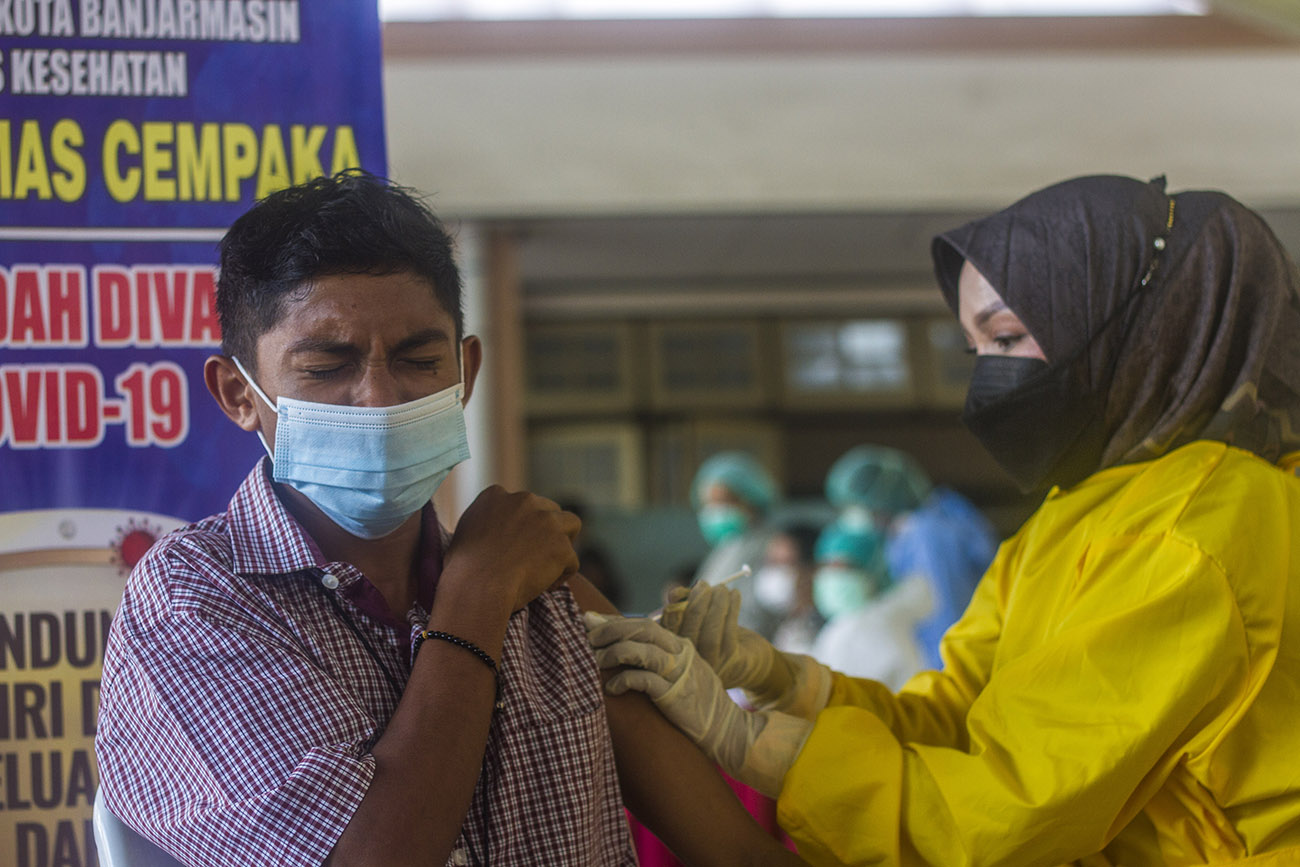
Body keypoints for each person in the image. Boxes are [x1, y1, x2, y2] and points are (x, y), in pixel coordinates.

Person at [94, 171, 806, 867]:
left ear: (464, 372)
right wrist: (476, 597)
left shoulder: (539, 591)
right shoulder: (196, 600)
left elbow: (733, 849)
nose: (377, 397)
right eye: (326, 365)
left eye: (417, 357)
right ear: (237, 393)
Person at [586, 174, 1300, 865]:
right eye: (976, 349)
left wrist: (747, 741)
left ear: (1141, 326)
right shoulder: (1075, 517)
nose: (988, 376)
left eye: (1009, 336)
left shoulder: (1194, 526)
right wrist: (778, 678)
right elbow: (963, 715)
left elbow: (1006, 812)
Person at [824, 445, 997, 670]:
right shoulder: (909, 535)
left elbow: (945, 618)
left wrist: (943, 683)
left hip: (957, 673)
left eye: (857, 506)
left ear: (880, 499)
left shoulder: (926, 535)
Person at [806, 520, 931, 690]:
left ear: (873, 572)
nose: (831, 576)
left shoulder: (860, 629)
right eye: (825, 566)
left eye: (843, 567)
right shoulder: (886, 616)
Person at [690, 451, 782, 639]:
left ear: (751, 500)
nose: (714, 510)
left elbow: (753, 616)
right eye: (708, 503)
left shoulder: (770, 547)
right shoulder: (725, 549)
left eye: (722, 501)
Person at [752, 521, 823, 657]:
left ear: (812, 569)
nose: (772, 573)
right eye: (770, 563)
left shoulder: (823, 628)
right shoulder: (789, 627)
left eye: (783, 564)